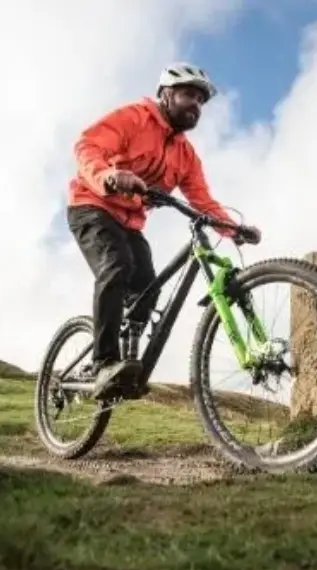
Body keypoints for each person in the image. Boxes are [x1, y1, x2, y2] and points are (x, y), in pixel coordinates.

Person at [66, 61, 262, 400]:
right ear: (166, 94)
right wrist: (109, 177)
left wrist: (234, 229)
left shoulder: (186, 155)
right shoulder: (134, 118)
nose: (196, 105)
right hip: (93, 206)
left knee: (148, 287)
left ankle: (127, 358)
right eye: (188, 95)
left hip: (130, 222)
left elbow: (202, 199)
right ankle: (103, 362)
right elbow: (88, 145)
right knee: (116, 267)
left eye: (201, 101)